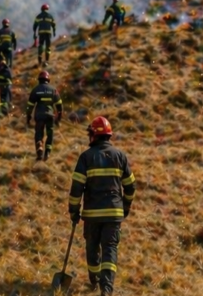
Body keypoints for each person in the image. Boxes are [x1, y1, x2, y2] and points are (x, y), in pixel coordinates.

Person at [67, 116, 136, 295]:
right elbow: (130, 186)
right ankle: (106, 289)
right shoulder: (120, 156)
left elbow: (76, 189)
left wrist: (74, 211)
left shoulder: (86, 157)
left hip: (92, 215)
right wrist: (125, 207)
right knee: (110, 249)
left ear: (93, 135)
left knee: (92, 248)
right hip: (113, 214)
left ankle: (94, 280)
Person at [26, 71, 63, 161]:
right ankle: (47, 152)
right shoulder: (53, 90)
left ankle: (39, 147)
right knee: (50, 134)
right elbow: (59, 105)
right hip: (50, 116)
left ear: (39, 80)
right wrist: (59, 117)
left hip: (39, 116)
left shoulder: (36, 90)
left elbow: (30, 105)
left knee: (39, 133)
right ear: (48, 80)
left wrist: (28, 117)